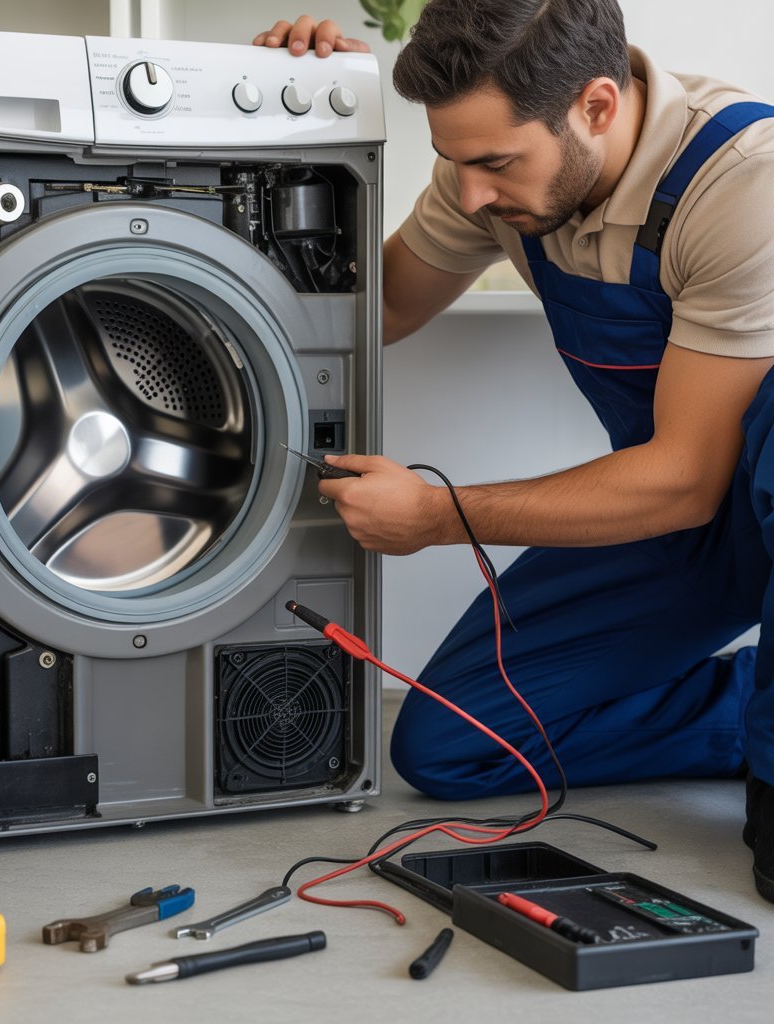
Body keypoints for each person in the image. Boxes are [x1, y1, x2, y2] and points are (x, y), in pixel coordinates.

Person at [255, 2, 774, 904]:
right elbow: (371, 313)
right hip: (681, 506)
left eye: (495, 163)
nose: (470, 196)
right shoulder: (500, 187)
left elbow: (687, 479)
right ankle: (747, 710)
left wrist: (433, 517)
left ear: (599, 106)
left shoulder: (742, 185)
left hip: (713, 485)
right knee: (448, 746)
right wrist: (278, 119)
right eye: (454, 160)